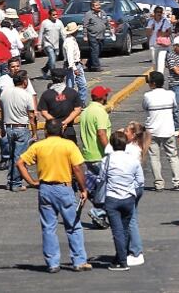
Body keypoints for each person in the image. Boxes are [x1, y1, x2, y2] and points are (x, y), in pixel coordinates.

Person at [16, 119, 92, 273]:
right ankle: (79, 261)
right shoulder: (69, 145)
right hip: (64, 188)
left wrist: (31, 181)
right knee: (73, 226)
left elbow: (20, 163)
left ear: (46, 132)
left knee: (48, 227)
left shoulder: (38, 146)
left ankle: (52, 263)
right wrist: (84, 188)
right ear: (62, 131)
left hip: (45, 189)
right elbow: (77, 168)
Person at [100, 131, 145, 272]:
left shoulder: (107, 160)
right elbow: (140, 181)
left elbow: (101, 178)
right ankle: (119, 257)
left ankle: (122, 261)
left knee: (117, 231)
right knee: (124, 230)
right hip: (128, 198)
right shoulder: (133, 160)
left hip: (112, 198)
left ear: (112, 144)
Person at [141, 71, 179, 192]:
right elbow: (174, 106)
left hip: (152, 131)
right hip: (168, 129)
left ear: (153, 83)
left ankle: (159, 184)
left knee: (154, 157)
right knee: (173, 156)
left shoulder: (147, 96)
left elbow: (145, 107)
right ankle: (178, 182)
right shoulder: (170, 94)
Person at [0, 67, 37, 191]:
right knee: (19, 157)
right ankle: (15, 183)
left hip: (9, 127)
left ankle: (10, 181)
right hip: (21, 128)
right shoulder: (26, 95)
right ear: (24, 81)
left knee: (11, 155)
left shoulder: (4, 93)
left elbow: (1, 112)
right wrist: (34, 132)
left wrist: (2, 128)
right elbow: (31, 116)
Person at [81, 85, 112, 226]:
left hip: (88, 155)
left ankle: (100, 216)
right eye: (106, 95)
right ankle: (98, 211)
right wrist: (110, 150)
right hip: (100, 155)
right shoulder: (100, 112)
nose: (107, 97)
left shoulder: (86, 111)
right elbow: (101, 133)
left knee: (99, 185)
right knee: (109, 186)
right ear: (102, 97)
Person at [38, 67, 81, 143]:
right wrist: (65, 122)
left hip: (52, 130)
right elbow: (77, 110)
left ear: (52, 78)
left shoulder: (46, 94)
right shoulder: (72, 92)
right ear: (64, 78)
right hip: (68, 128)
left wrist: (56, 123)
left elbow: (44, 112)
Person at [62, 21, 88, 107]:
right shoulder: (69, 42)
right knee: (70, 86)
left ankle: (81, 102)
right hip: (72, 66)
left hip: (76, 64)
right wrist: (74, 68)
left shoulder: (71, 40)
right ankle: (71, 104)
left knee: (81, 84)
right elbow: (70, 56)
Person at [83, 0, 109, 73]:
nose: (99, 6)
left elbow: (106, 22)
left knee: (98, 50)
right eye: (97, 5)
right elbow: (85, 25)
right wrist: (85, 35)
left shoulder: (103, 13)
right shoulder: (88, 14)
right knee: (95, 51)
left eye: (99, 5)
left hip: (101, 35)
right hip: (92, 35)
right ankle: (96, 66)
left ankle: (89, 64)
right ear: (92, 7)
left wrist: (110, 28)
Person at [37, 9, 65, 78]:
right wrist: (39, 44)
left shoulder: (59, 22)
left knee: (52, 60)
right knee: (52, 58)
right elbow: (41, 33)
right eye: (53, 15)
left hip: (56, 45)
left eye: (56, 15)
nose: (55, 16)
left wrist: (66, 42)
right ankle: (54, 75)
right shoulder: (45, 23)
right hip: (47, 44)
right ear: (49, 15)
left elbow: (63, 34)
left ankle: (44, 69)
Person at [145, 6, 172, 76]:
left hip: (163, 45)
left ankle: (160, 76)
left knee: (161, 60)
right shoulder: (151, 21)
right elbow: (148, 33)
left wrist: (163, 34)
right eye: (157, 12)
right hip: (153, 44)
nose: (159, 13)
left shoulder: (165, 21)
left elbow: (169, 32)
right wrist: (152, 28)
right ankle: (156, 74)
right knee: (154, 62)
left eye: (160, 12)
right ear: (154, 13)